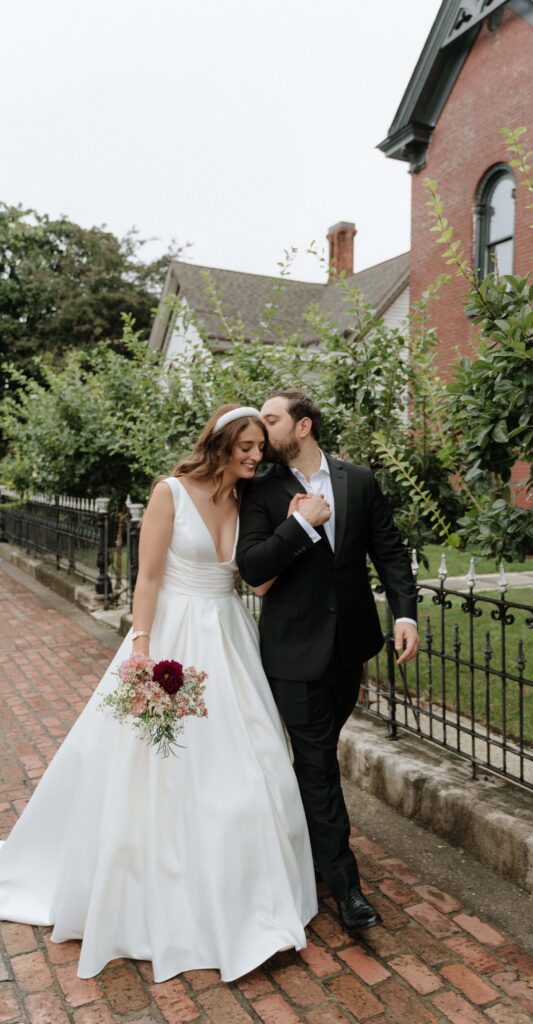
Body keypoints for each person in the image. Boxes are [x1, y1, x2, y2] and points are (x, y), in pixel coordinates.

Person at [0, 404, 317, 982]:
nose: (254, 456)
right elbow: (146, 576)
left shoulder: (250, 500)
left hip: (229, 639)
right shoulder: (169, 492)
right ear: (220, 444)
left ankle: (250, 899)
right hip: (173, 636)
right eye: (244, 447)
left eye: (258, 448)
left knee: (251, 768)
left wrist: (296, 526)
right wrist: (141, 646)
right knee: (159, 767)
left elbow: (258, 579)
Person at [236, 390, 419, 931]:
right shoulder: (261, 490)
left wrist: (404, 615)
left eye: (269, 420)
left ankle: (296, 843)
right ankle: (346, 889)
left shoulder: (357, 480)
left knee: (313, 762)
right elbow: (252, 566)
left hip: (351, 647)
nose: (259, 428)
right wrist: (301, 525)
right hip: (292, 651)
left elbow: (388, 549)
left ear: (303, 426)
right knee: (318, 765)